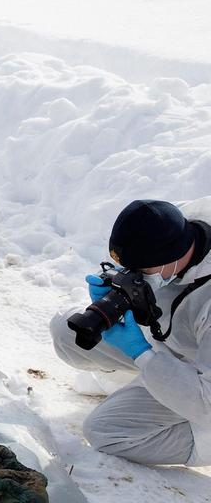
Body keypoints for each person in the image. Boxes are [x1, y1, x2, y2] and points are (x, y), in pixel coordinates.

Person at [50, 199, 211, 467]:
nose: (133, 275)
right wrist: (118, 289)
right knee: (65, 332)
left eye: (140, 271)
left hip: (203, 388)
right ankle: (146, 381)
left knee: (106, 432)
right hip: (178, 345)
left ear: (167, 259)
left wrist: (141, 354)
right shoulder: (172, 227)